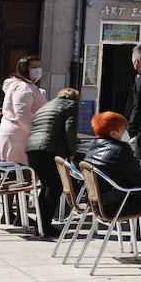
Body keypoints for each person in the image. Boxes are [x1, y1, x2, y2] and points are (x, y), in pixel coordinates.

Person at [82, 112, 141, 257]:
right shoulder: (120, 150)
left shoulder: (93, 149)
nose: (126, 132)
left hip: (101, 204)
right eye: (123, 129)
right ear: (114, 133)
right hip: (118, 205)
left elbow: (128, 174)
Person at [25, 88, 83, 236]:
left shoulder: (46, 106)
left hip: (32, 148)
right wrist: (71, 152)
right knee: (55, 186)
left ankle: (40, 225)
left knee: (46, 186)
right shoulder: (71, 105)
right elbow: (70, 130)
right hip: (49, 149)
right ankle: (45, 226)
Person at [0, 55, 47, 165]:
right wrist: (36, 134)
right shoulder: (23, 87)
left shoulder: (25, 85)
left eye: (39, 66)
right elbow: (22, 114)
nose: (37, 70)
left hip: (17, 135)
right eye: (33, 67)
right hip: (19, 137)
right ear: (24, 69)